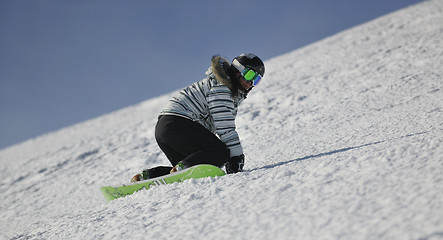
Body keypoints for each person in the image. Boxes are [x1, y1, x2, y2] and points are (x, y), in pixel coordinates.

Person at [131, 53, 265, 182]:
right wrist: (236, 156)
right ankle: (183, 167)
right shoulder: (223, 87)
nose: (251, 82)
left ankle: (149, 176)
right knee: (220, 153)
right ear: (237, 70)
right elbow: (224, 127)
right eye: (250, 74)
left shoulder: (224, 87)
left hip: (165, 129)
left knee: (200, 166)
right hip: (178, 124)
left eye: (257, 79)